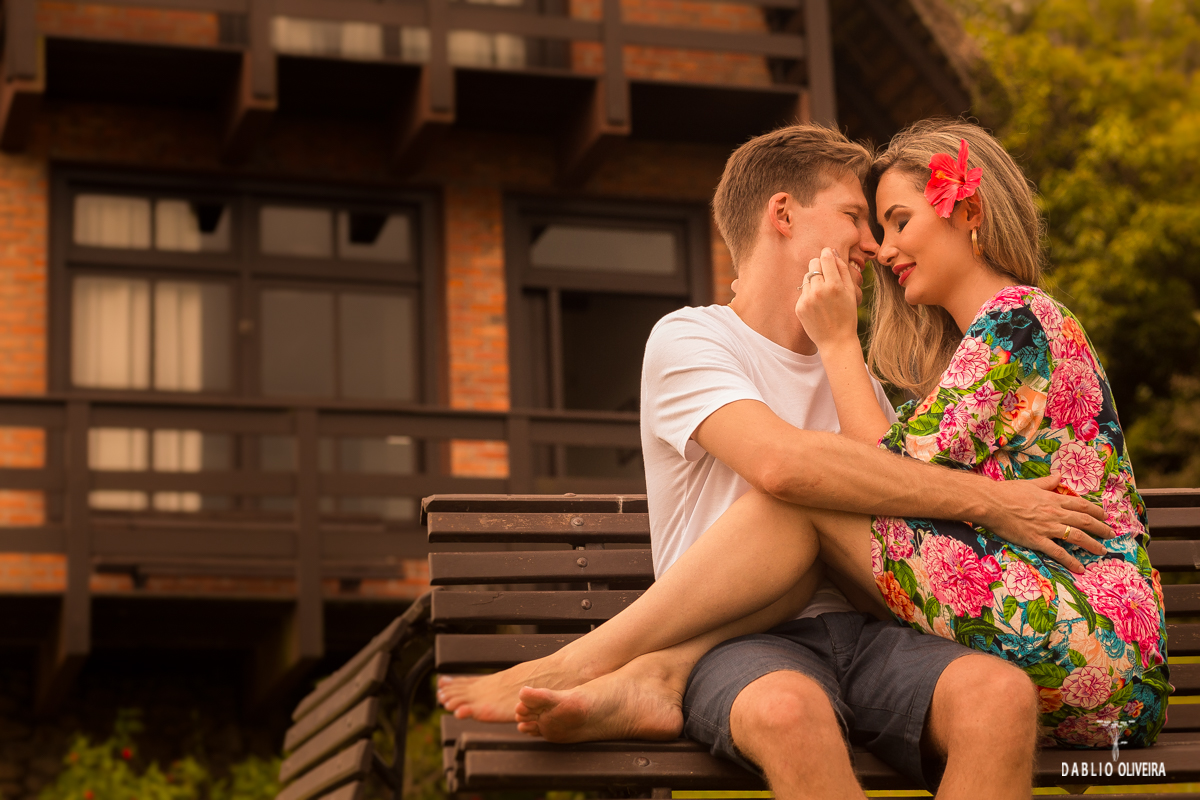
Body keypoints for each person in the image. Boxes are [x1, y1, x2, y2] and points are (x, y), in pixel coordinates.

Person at [439, 123, 1118, 799]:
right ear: (783, 214)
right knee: (788, 707)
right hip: (736, 644)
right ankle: (599, 665)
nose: (874, 247)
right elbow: (782, 467)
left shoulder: (857, 380)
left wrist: (843, 358)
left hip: (868, 627)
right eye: (856, 216)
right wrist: (994, 502)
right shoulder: (692, 338)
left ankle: (652, 674)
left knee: (998, 697)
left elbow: (900, 523)